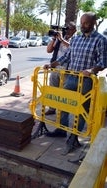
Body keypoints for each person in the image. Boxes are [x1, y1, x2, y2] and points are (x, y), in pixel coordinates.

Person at [43, 12, 107, 154]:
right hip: (71, 77)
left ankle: (74, 137)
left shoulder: (101, 40)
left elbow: (103, 62)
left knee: (81, 109)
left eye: (87, 23)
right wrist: (53, 63)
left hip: (86, 80)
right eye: (82, 23)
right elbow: (67, 56)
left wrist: (91, 70)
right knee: (64, 103)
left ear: (93, 23)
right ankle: (61, 129)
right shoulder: (76, 39)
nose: (83, 26)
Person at [45, 22, 77, 116]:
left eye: (69, 29)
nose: (67, 31)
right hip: (56, 68)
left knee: (64, 92)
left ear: (74, 30)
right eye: (66, 28)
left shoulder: (76, 39)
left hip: (67, 70)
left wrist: (61, 39)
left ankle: (62, 112)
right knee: (53, 89)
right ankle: (52, 108)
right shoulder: (60, 38)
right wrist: (55, 38)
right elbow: (49, 50)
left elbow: (73, 48)